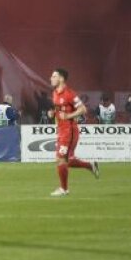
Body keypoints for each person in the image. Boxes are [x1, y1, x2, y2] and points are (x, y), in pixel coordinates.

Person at [49, 68, 99, 196]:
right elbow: (59, 110)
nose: (51, 78)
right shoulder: (55, 93)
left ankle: (64, 189)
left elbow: (83, 109)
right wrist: (53, 113)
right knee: (65, 160)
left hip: (69, 131)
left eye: (54, 76)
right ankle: (90, 166)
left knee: (61, 160)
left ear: (61, 78)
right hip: (61, 130)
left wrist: (69, 116)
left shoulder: (70, 94)